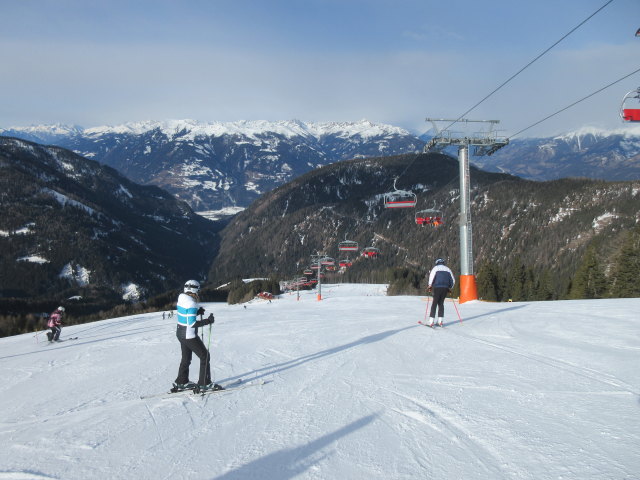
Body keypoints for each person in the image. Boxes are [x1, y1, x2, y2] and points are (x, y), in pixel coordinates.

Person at [174, 280, 221, 392]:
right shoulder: (192, 303)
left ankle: (182, 382)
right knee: (205, 356)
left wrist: (197, 312)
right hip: (189, 335)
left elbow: (185, 314)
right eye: (198, 290)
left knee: (186, 358)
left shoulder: (181, 298)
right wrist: (208, 321)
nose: (199, 293)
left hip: (180, 333)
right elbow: (192, 323)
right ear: (194, 290)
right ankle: (204, 383)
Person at [427, 258, 455, 327]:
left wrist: (430, 285)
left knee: (434, 303)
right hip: (445, 288)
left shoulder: (435, 268)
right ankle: (440, 321)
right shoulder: (448, 269)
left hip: (437, 287)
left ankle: (431, 321)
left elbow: (431, 277)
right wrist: (450, 287)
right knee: (441, 304)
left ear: (437, 262)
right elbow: (453, 280)